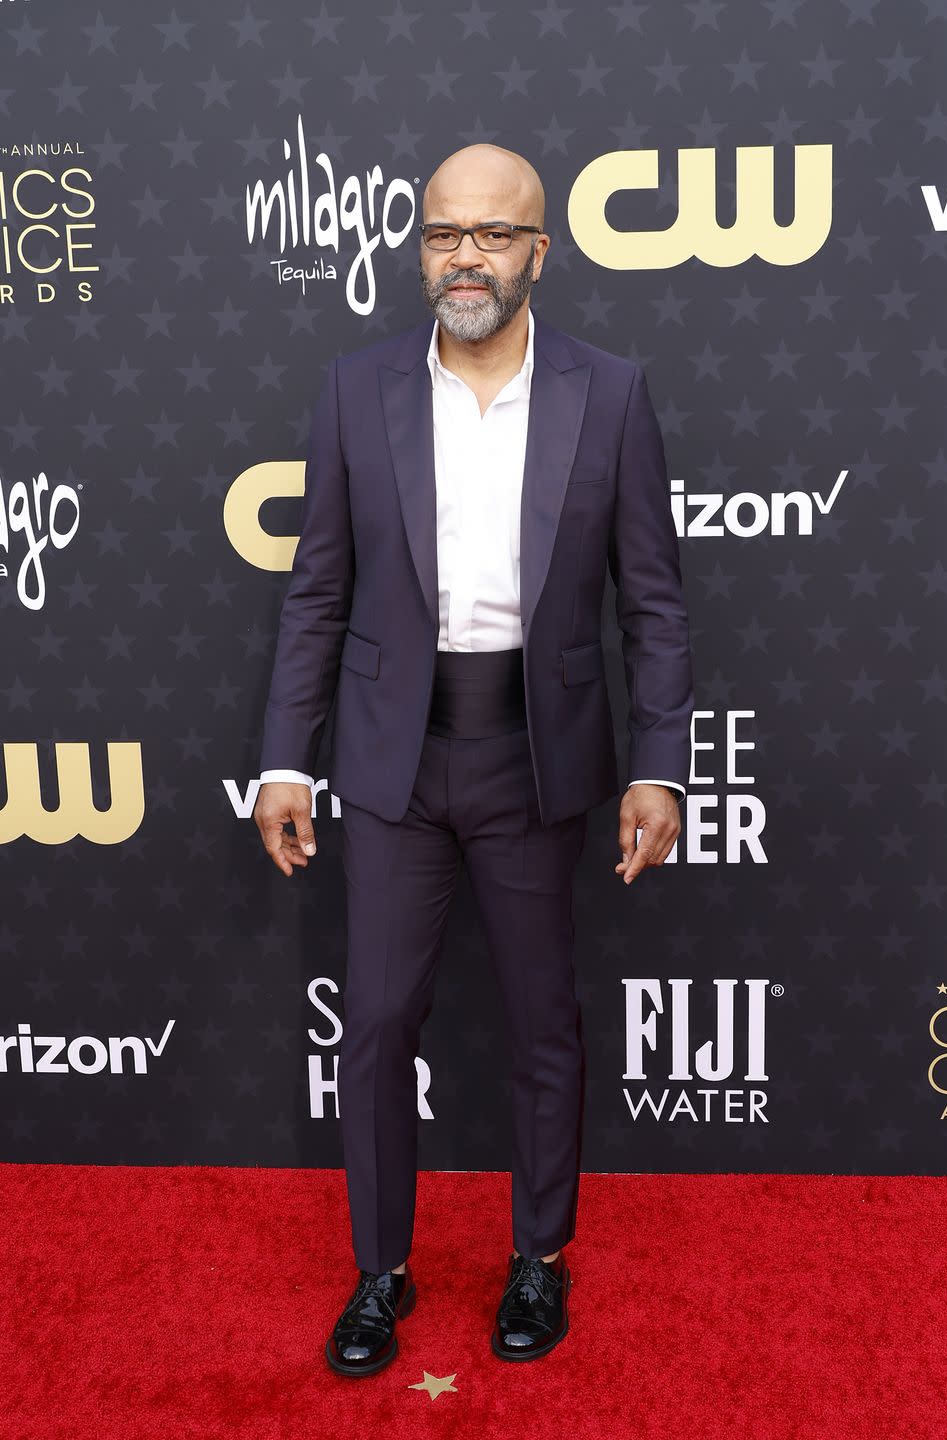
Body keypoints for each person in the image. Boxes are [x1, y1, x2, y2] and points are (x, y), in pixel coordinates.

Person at [253, 143, 694, 1376]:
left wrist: (660, 768)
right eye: (445, 232)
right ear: (420, 249)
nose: (466, 255)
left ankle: (540, 1261)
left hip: (538, 760)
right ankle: (380, 1277)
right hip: (393, 765)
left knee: (545, 1025)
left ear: (539, 253)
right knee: (379, 1022)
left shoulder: (610, 395)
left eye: (494, 235)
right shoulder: (355, 390)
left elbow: (653, 605)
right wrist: (286, 760)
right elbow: (316, 592)